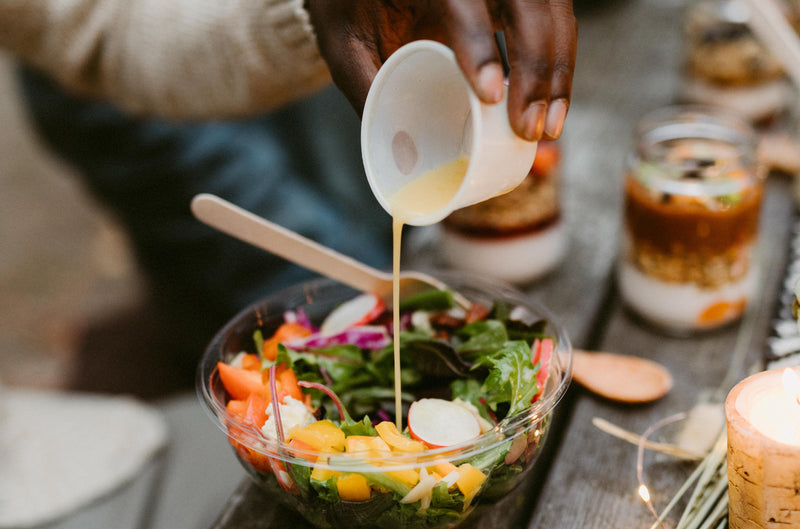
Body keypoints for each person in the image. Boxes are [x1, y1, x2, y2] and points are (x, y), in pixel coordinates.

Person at [6, 0, 578, 393]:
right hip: (143, 76)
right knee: (297, 306)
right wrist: (304, 12)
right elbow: (104, 22)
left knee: (367, 213)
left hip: (328, 34)